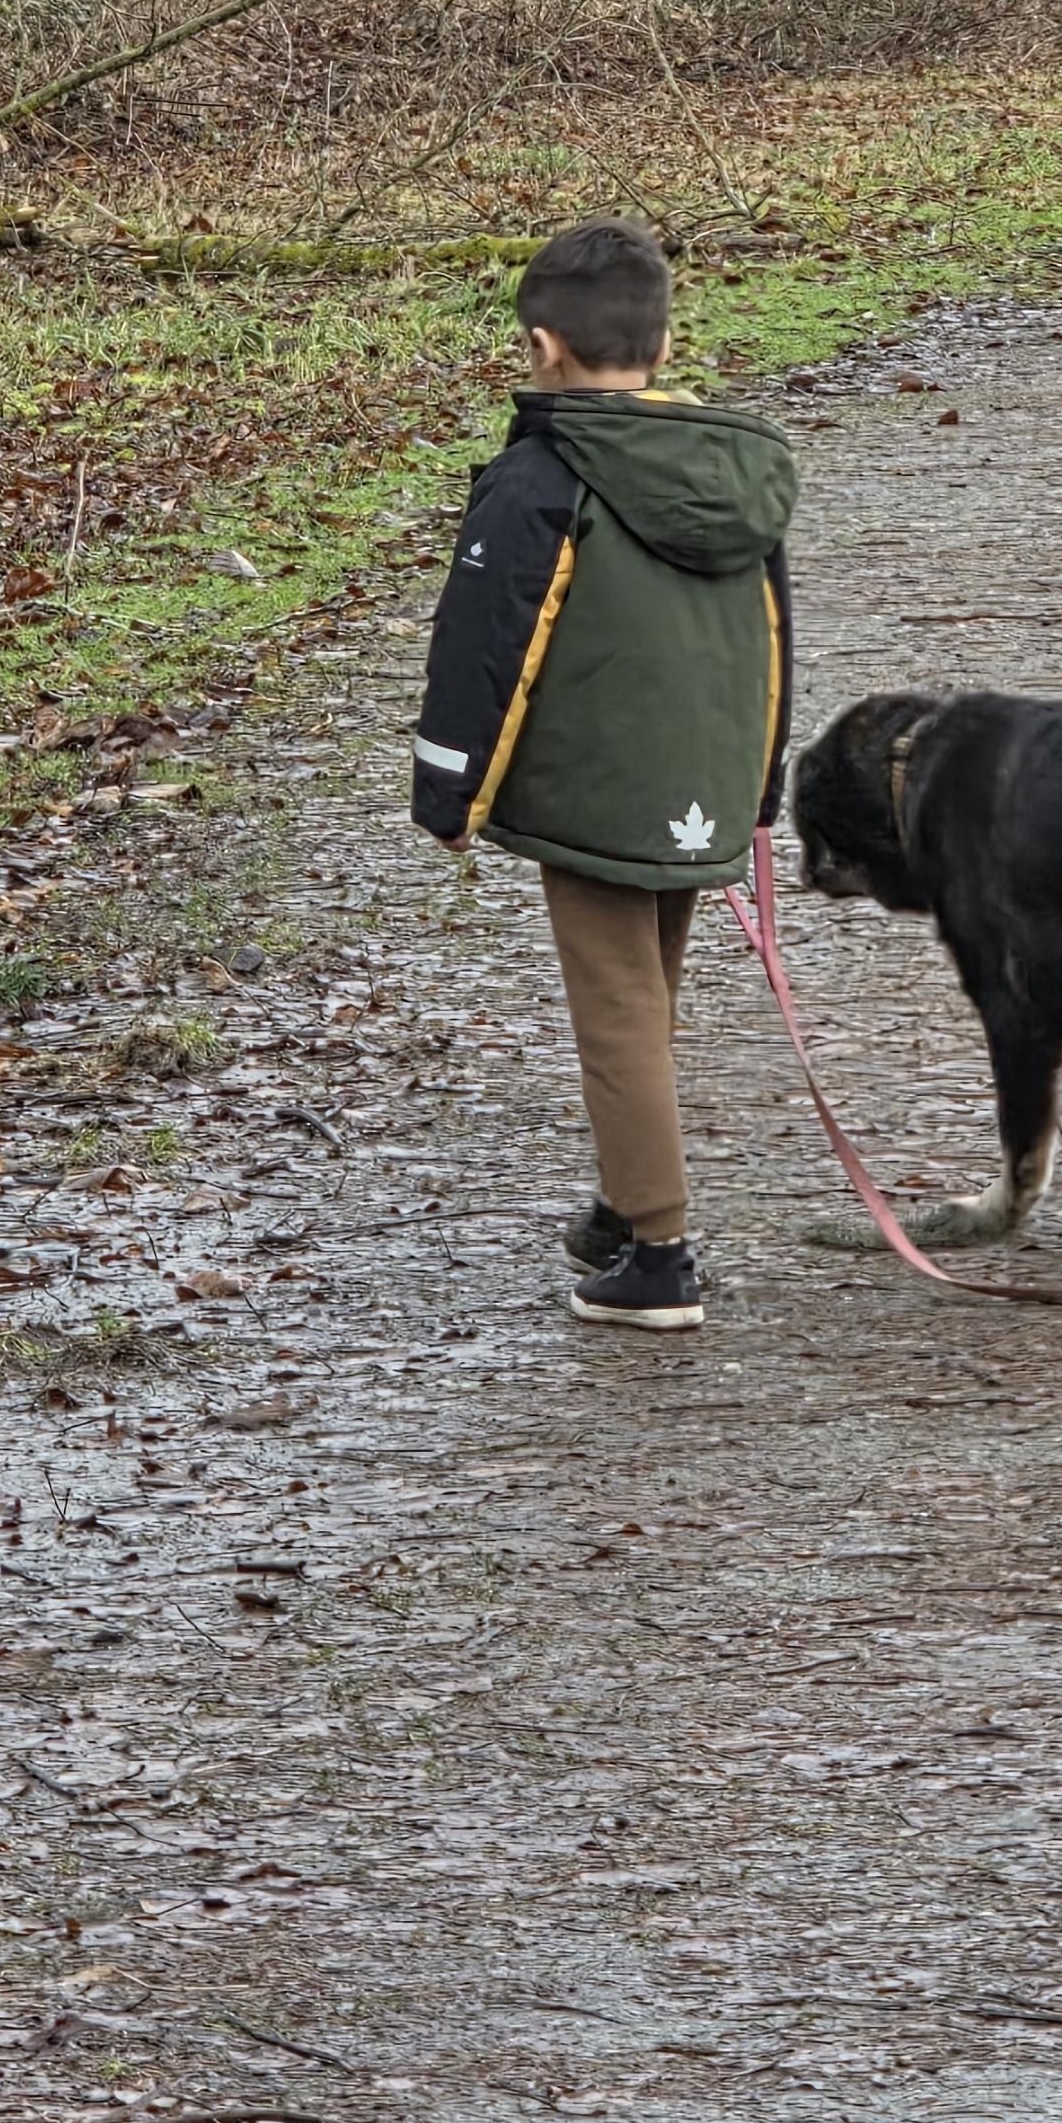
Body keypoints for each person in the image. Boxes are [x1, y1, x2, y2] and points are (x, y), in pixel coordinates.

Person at [409, 219, 797, 1331]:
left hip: (596, 788)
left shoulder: (541, 477)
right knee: (650, 994)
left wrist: (448, 792)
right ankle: (631, 1203)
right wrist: (757, 785)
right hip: (703, 779)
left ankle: (660, 1257)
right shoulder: (736, 470)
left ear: (543, 346)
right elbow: (774, 637)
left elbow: (484, 641)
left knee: (618, 1011)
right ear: (664, 346)